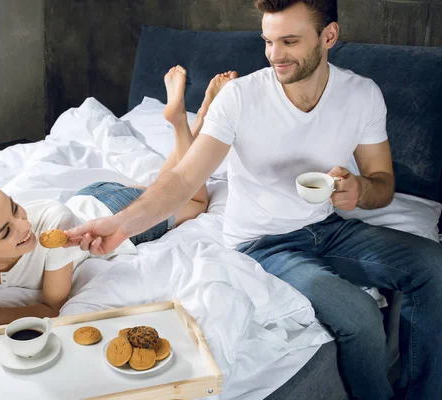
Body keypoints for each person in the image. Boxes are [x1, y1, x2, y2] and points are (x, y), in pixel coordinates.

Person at [64, 1, 442, 399]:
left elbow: (383, 182)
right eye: (268, 41)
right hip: (263, 242)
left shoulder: (361, 95)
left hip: (327, 227)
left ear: (328, 36)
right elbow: (182, 178)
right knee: (360, 316)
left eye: (290, 41)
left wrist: (360, 190)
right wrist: (119, 225)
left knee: (433, 265)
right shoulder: (241, 98)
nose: (274, 55)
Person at [0, 66, 237, 357]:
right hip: (89, 201)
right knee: (165, 184)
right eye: (5, 231)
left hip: (106, 211)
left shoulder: (52, 228)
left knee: (194, 202)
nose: (24, 225)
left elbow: (52, 308)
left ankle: (180, 122)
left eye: (15, 209)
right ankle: (203, 118)